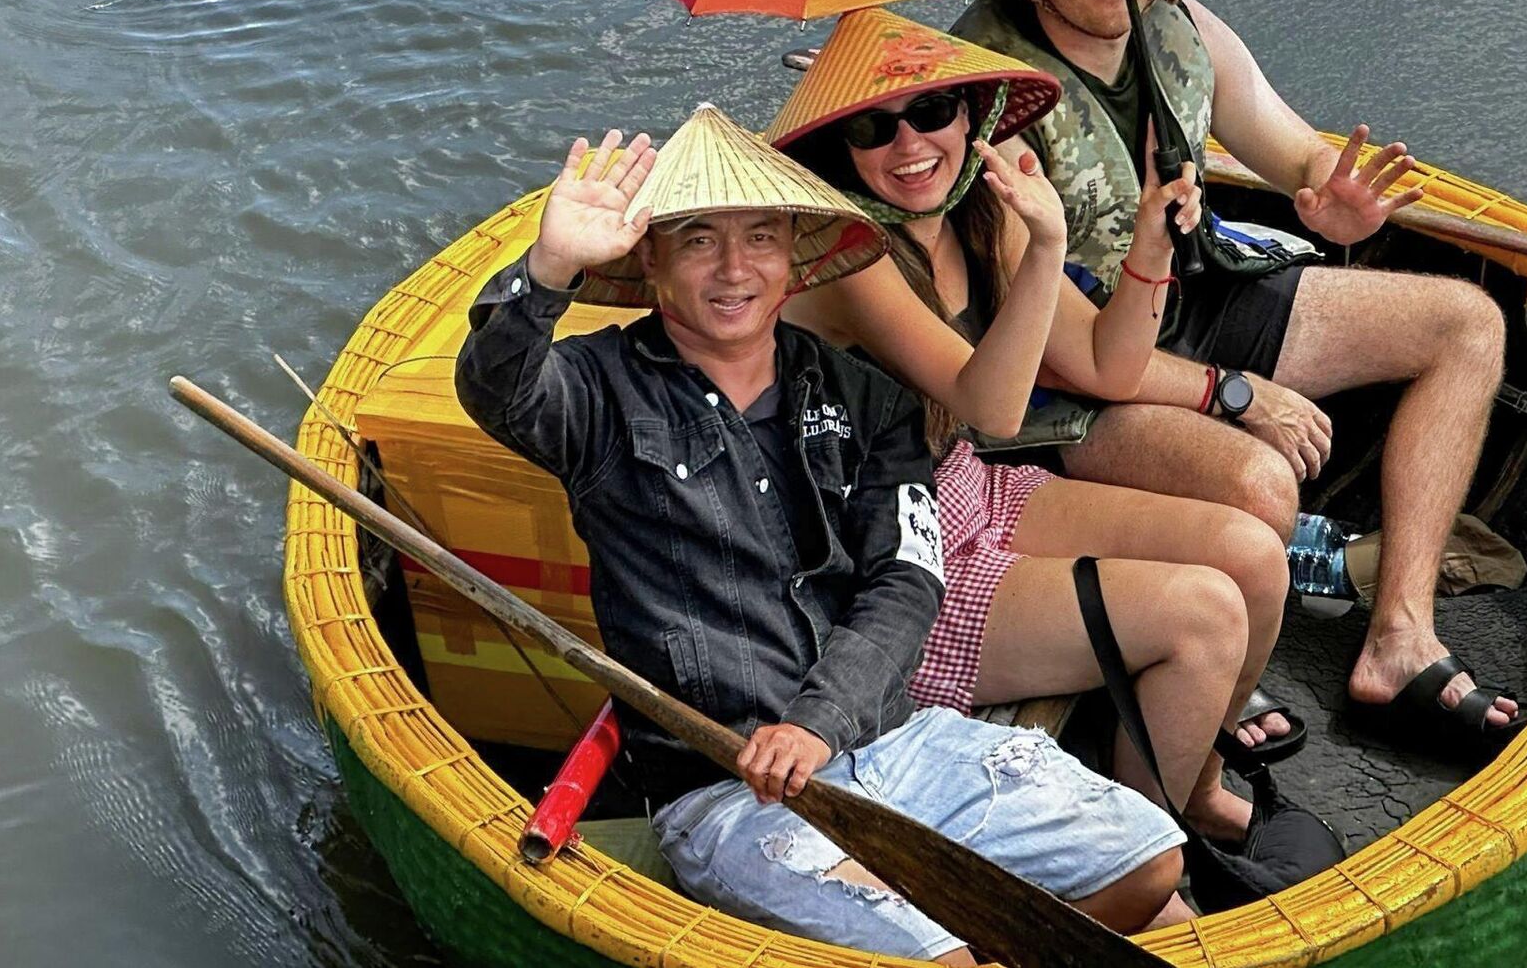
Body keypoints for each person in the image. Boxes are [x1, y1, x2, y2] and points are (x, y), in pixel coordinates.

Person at [453, 105, 1183, 964]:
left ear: (795, 254)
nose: (735, 268)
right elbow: (496, 389)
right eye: (698, 240)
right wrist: (547, 269)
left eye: (761, 238)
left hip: (894, 741)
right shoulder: (598, 391)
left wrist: (820, 721)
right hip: (729, 794)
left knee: (1151, 864)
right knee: (942, 961)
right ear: (651, 257)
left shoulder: (868, 399)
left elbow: (908, 579)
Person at [949, 0, 1527, 756]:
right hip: (1069, 386)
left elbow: (1296, 152)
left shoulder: (1183, 28)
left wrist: (1329, 196)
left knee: (1467, 324)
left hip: (1192, 296)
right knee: (1260, 485)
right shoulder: (989, 97)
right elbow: (1076, 359)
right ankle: (1201, 661)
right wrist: (1238, 393)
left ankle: (1399, 637)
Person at [769, 9, 1296, 864]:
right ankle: (1131, 863)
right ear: (840, 146)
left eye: (931, 112)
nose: (910, 145)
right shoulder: (848, 253)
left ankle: (1191, 791)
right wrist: (1048, 244)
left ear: (968, 116)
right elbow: (992, 407)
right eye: (873, 127)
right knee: (1204, 617)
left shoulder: (982, 209)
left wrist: (1153, 241)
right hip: (894, 559)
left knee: (1256, 558)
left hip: (971, 488)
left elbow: (1108, 364)